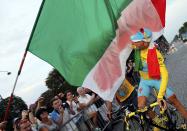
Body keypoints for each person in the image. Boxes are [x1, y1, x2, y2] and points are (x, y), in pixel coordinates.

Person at [130, 28, 187, 120]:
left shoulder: (155, 54)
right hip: (144, 81)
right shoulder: (136, 48)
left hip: (156, 80)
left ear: (145, 42)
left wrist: (160, 96)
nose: (133, 43)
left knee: (173, 99)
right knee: (141, 106)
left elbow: (165, 75)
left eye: (136, 41)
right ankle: (157, 121)